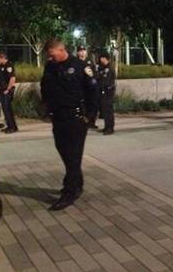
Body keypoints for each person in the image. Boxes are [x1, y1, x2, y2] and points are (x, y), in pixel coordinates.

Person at [40, 38, 97, 211]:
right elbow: (45, 87)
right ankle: (77, 183)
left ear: (61, 50)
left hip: (76, 118)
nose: (50, 58)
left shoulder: (80, 66)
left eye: (52, 55)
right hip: (58, 117)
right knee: (63, 150)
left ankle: (70, 192)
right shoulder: (50, 66)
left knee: (73, 155)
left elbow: (93, 92)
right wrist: (47, 108)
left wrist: (89, 117)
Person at [77, 45, 99, 129]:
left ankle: (91, 122)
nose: (82, 52)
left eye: (84, 50)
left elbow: (94, 73)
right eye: (81, 51)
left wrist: (95, 81)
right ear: (78, 52)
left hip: (90, 88)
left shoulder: (89, 61)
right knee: (82, 106)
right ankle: (83, 122)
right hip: (81, 87)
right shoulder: (76, 62)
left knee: (93, 105)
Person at [0, 52, 18, 134]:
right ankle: (10, 126)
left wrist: (8, 89)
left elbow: (12, 79)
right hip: (2, 90)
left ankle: (12, 127)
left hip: (7, 91)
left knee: (8, 109)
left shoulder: (9, 66)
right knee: (5, 110)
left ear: (2, 58)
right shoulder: (1, 66)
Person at [97, 53, 116, 135]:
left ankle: (110, 128)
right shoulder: (102, 67)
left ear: (106, 59)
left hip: (108, 91)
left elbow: (105, 81)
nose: (101, 59)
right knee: (104, 110)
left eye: (102, 58)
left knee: (108, 110)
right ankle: (106, 126)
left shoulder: (109, 68)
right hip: (103, 91)